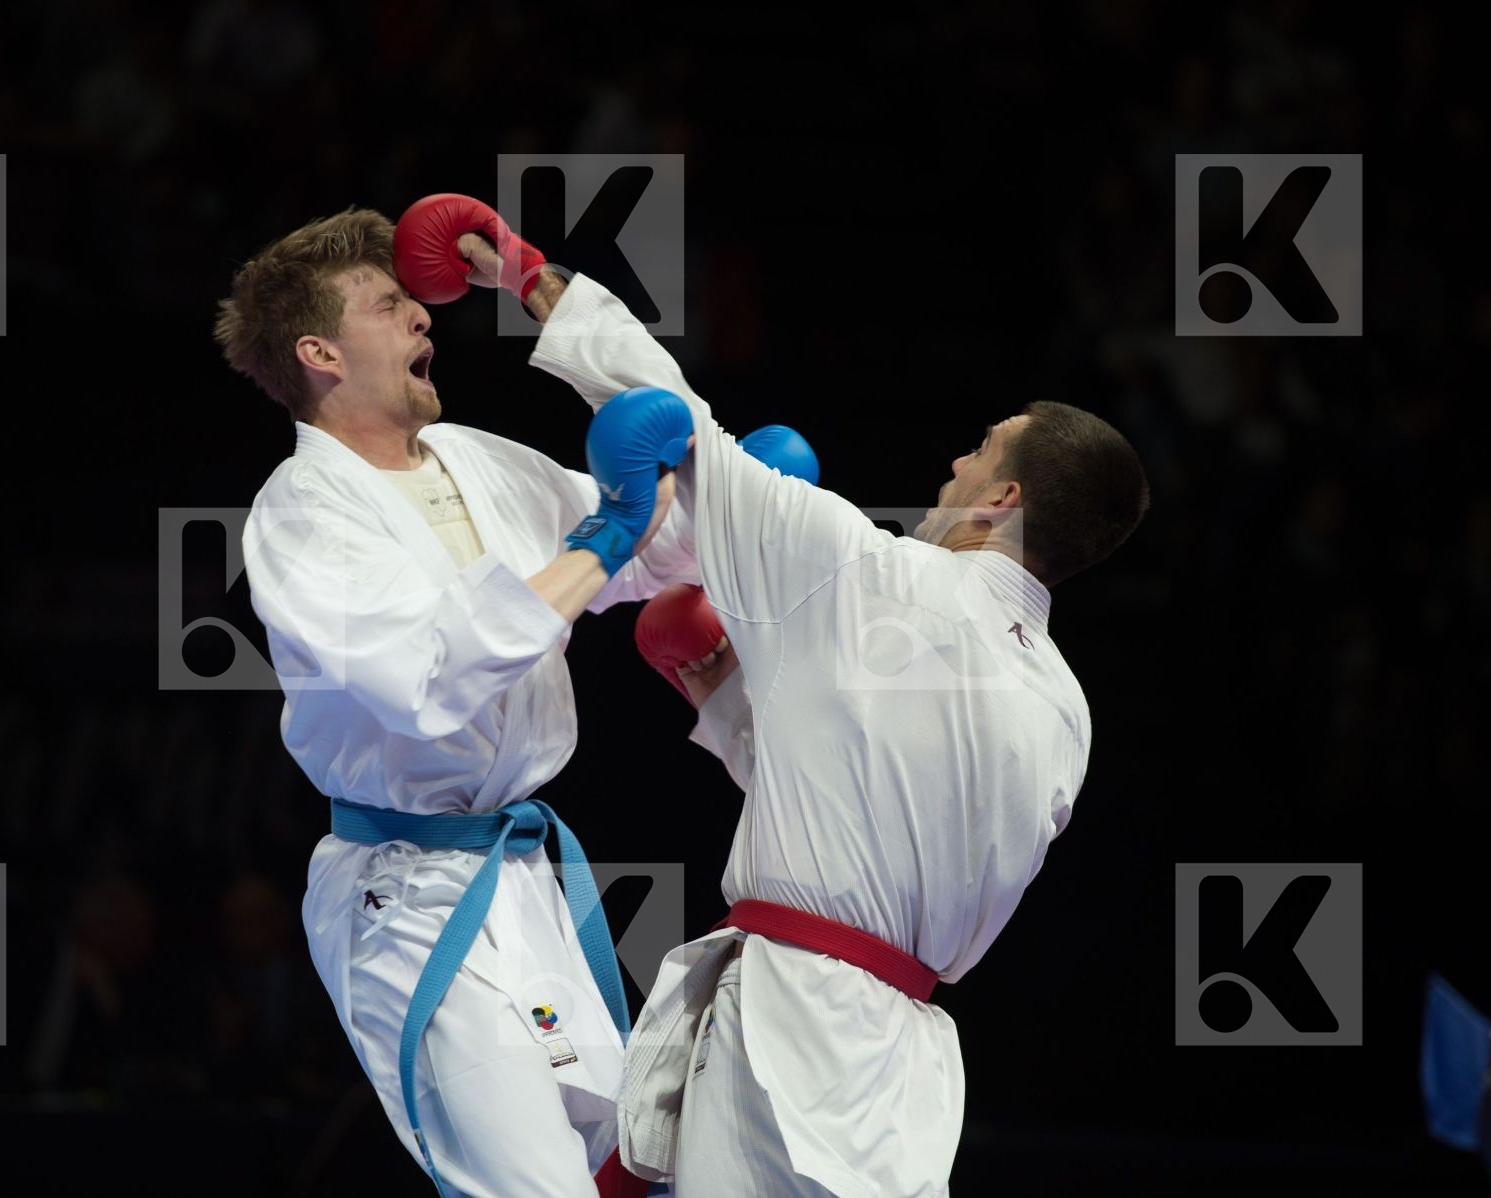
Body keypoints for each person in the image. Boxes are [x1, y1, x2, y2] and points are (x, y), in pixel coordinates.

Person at [528, 320, 1148, 1194]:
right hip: (902, 1067)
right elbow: (875, 817)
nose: (955, 462)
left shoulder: (867, 570)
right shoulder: (1066, 711)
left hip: (790, 1018)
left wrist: (533, 280)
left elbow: (676, 425)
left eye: (980, 449)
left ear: (1000, 499)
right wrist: (728, 704)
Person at [212, 199, 701, 1195]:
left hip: (519, 878)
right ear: (320, 354)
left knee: (636, 1167)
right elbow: (425, 683)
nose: (423, 315)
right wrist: (600, 541)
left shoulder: (479, 461)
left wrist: (533, 279)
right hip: (405, 894)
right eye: (387, 306)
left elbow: (668, 533)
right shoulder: (303, 513)